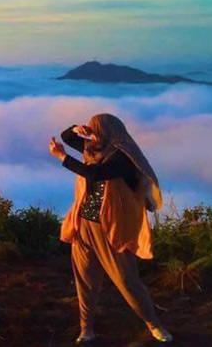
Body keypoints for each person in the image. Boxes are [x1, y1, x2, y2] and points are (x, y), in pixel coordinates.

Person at [48, 113, 172, 344]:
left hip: (111, 230)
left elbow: (95, 174)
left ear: (106, 132)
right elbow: (66, 136)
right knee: (85, 280)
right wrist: (78, 129)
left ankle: (154, 324)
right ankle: (87, 329)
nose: (93, 133)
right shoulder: (93, 148)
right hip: (84, 224)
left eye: (96, 128)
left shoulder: (123, 158)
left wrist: (63, 157)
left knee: (127, 281)